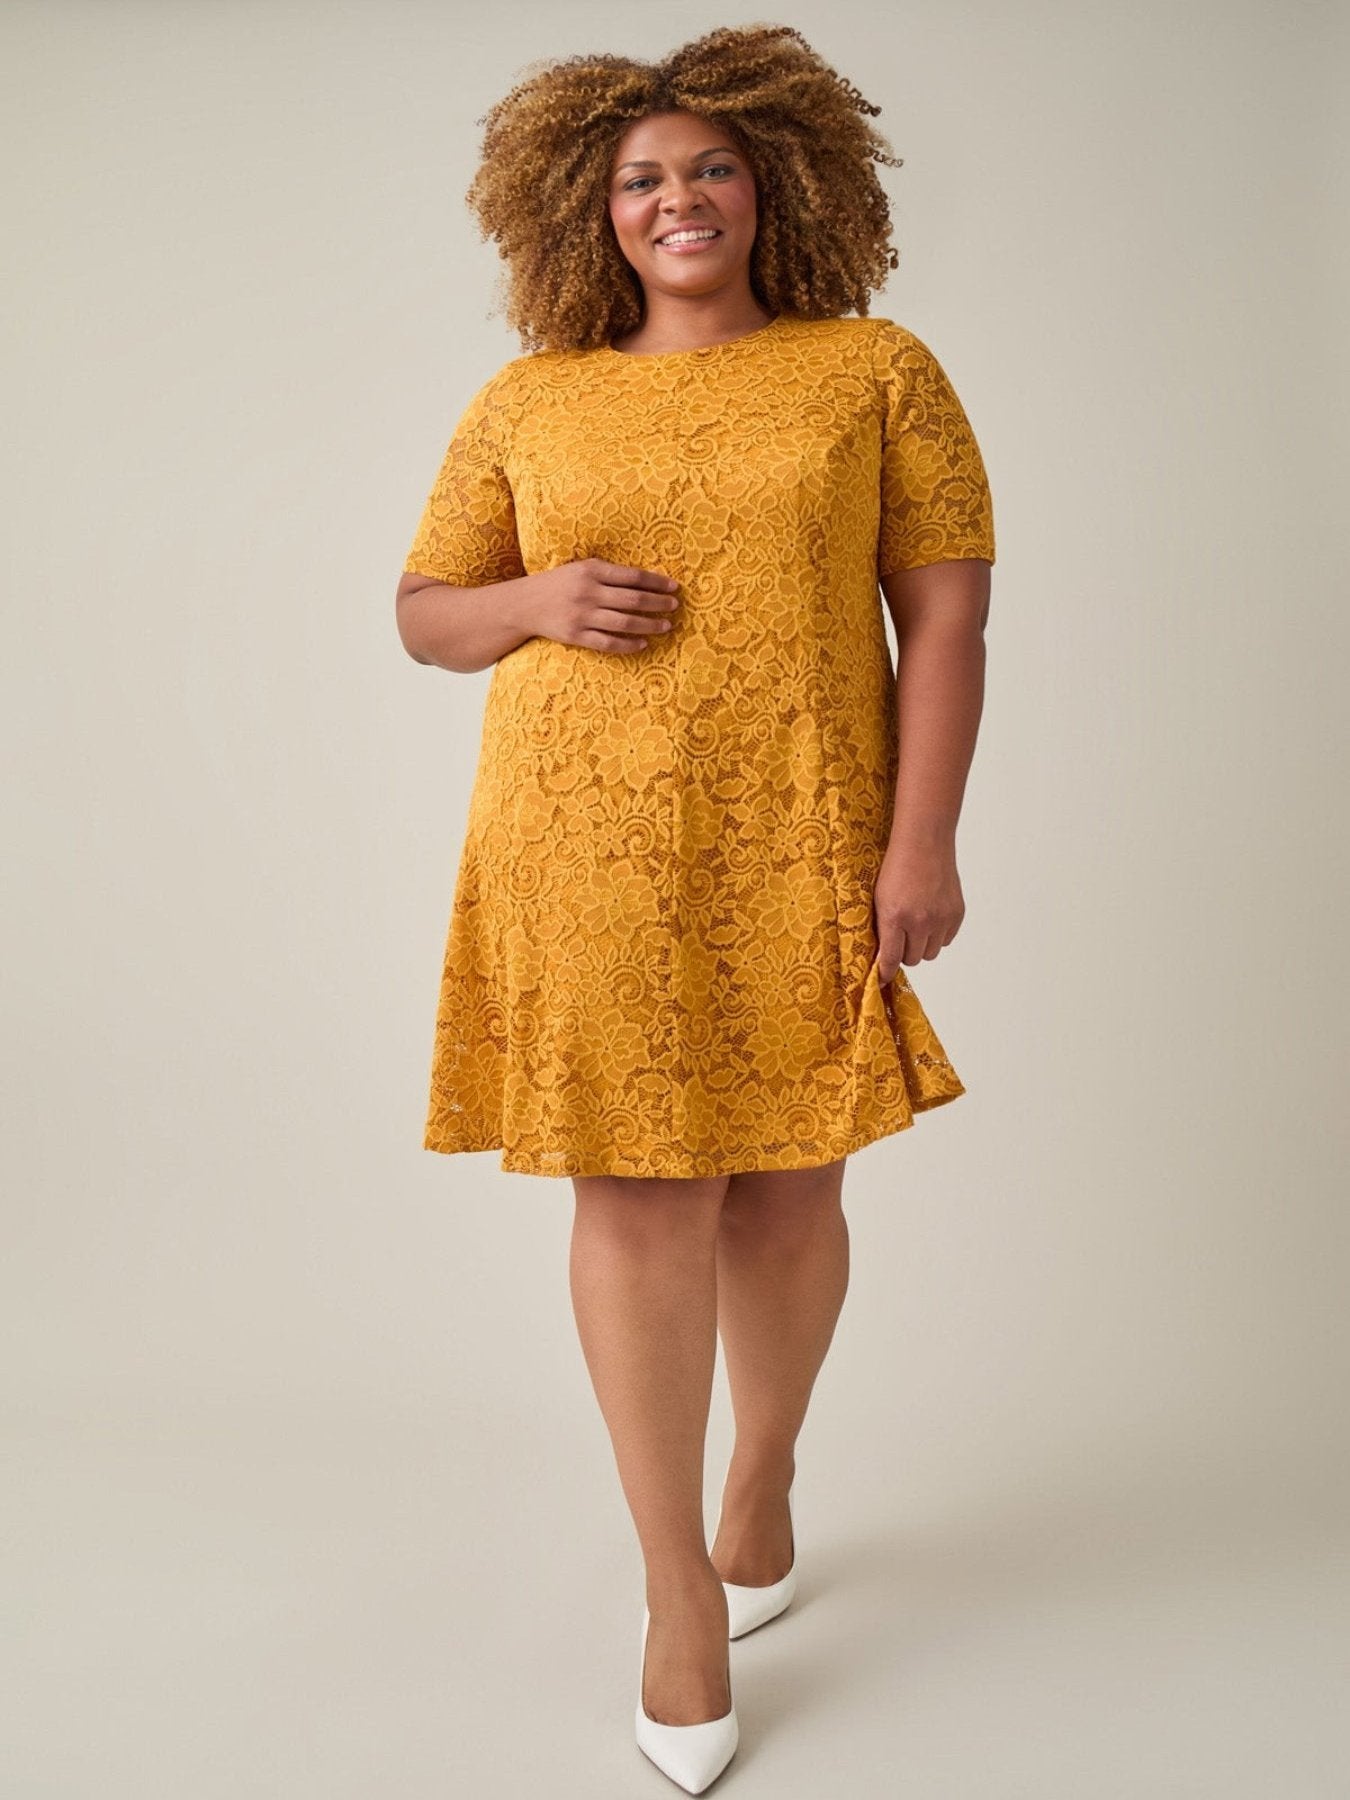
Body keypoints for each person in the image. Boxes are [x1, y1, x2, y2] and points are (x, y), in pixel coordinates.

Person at [394, 23, 995, 1792]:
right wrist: (532, 601)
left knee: (787, 1186)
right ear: (588, 212)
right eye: (642, 178)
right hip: (578, 850)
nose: (678, 199)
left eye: (710, 168)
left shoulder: (872, 369)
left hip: (801, 829)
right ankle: (676, 1586)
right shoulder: (528, 399)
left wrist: (921, 841)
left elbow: (945, 620)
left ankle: (764, 1467)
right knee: (639, 1195)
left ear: (775, 185)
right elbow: (426, 613)